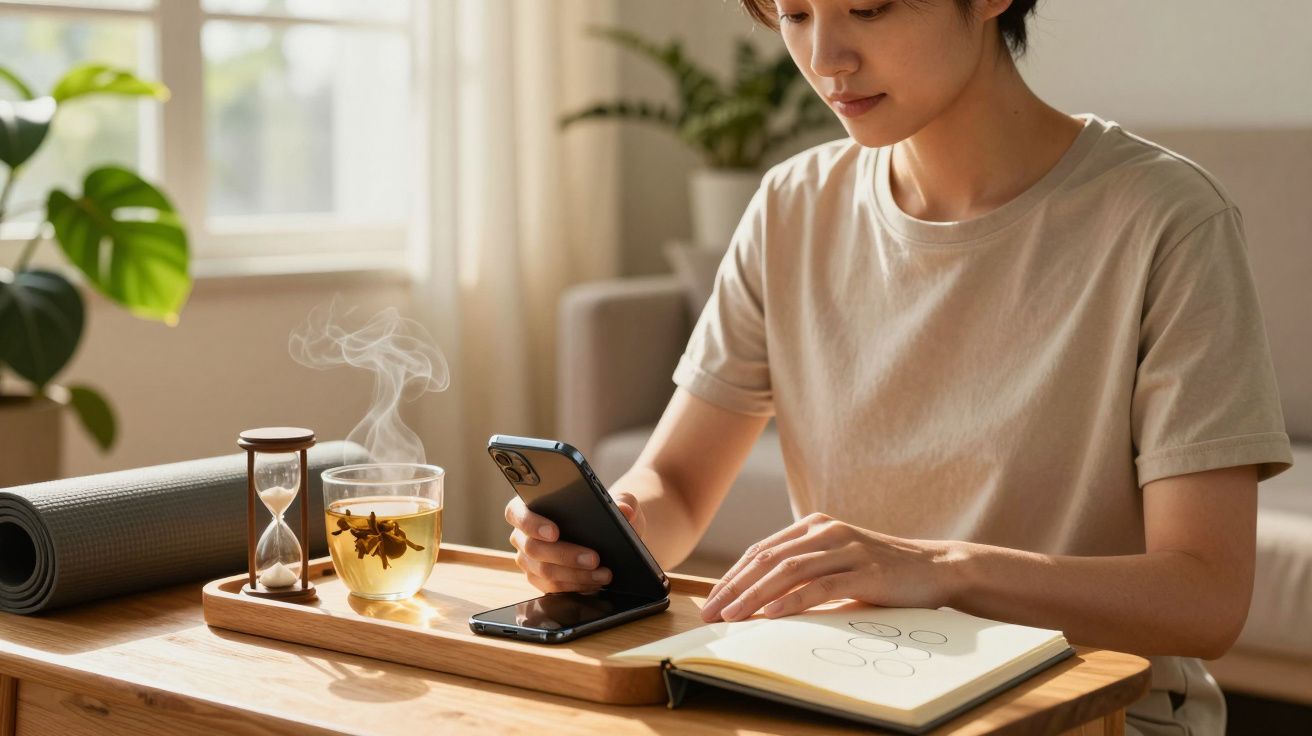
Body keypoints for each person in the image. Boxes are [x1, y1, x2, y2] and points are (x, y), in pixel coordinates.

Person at [504, 1, 1293, 733]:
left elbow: (1205, 598)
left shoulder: (1167, 221)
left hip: (1094, 712)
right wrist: (609, 535)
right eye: (794, 14)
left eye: (868, 9)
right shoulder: (791, 206)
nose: (823, 58)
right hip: (850, 691)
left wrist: (939, 569)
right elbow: (672, 485)